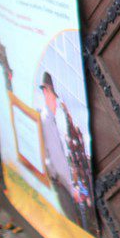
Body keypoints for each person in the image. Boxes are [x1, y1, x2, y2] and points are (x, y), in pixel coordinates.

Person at [39, 72, 81, 226]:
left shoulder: (49, 120)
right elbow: (57, 159)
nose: (55, 103)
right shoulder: (47, 120)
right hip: (60, 185)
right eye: (54, 97)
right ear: (46, 92)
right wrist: (72, 188)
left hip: (59, 183)